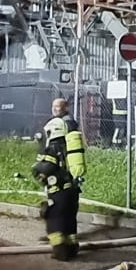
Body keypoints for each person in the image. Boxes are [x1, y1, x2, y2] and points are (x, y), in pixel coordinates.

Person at [33, 96, 87, 260]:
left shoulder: (54, 145)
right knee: (70, 220)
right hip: (72, 187)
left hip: (58, 190)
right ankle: (72, 248)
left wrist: (37, 171)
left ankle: (61, 252)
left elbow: (47, 165)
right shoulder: (70, 141)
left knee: (55, 219)